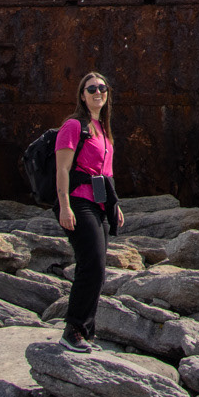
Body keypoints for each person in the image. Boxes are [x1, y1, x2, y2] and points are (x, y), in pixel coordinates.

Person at [55, 70, 123, 352]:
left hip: (98, 206)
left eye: (102, 88)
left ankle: (86, 332)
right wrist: (64, 207)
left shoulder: (104, 130)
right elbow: (62, 169)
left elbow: (105, 174)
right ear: (82, 96)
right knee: (91, 265)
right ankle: (72, 330)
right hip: (78, 203)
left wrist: (114, 206)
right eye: (91, 88)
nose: (98, 93)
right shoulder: (74, 126)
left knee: (99, 269)